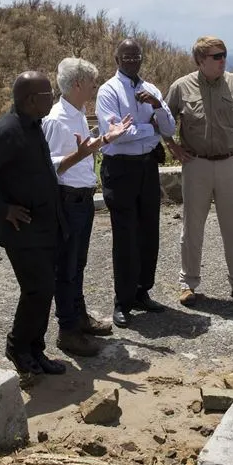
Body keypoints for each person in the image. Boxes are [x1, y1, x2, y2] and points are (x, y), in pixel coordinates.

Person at [0, 71, 67, 375]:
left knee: (44, 291)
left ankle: (35, 351)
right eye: (49, 95)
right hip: (23, 232)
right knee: (36, 290)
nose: (53, 98)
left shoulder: (33, 125)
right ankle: (18, 348)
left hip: (45, 227)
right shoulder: (6, 131)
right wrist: (1, 208)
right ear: (32, 100)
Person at [42, 57, 132, 357]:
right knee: (65, 268)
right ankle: (67, 331)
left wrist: (106, 138)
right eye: (92, 81)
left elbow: (83, 150)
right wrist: (83, 154)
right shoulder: (56, 120)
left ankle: (78, 319)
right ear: (78, 84)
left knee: (76, 265)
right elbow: (51, 168)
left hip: (80, 200)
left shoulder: (77, 112)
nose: (96, 86)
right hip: (67, 201)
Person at [165, 36, 233, 307]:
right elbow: (163, 117)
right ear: (200, 60)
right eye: (216, 56)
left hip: (229, 162)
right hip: (195, 164)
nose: (223, 60)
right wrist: (171, 145)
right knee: (192, 227)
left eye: (224, 55)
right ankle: (188, 284)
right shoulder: (181, 87)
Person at [95, 38, 177, 328]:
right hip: (121, 169)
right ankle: (122, 300)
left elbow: (169, 128)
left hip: (146, 168)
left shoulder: (151, 89)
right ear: (116, 59)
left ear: (142, 58)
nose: (132, 61)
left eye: (136, 56)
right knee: (125, 234)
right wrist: (149, 128)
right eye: (126, 57)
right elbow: (117, 133)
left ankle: (143, 291)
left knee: (148, 231)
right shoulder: (108, 91)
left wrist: (157, 108)